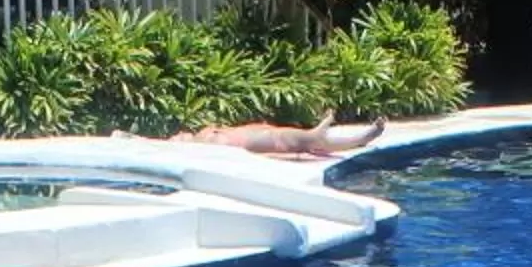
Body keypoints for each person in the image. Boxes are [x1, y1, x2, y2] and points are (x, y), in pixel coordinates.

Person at [143, 117, 387, 162]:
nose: (179, 134)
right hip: (274, 139)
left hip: (271, 133)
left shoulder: (205, 134)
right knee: (313, 140)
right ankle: (361, 136)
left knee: (315, 142)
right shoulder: (209, 144)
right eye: (178, 139)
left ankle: (360, 137)